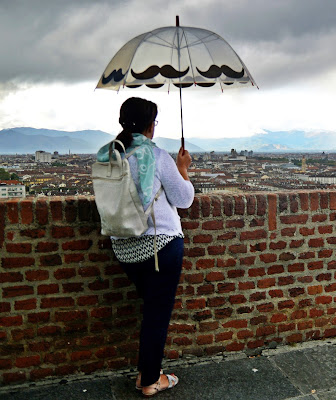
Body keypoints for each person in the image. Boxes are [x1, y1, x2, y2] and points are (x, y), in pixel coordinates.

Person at [96, 97, 194, 397]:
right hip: (158, 245)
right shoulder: (156, 155)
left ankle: (148, 372)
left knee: (151, 310)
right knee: (156, 315)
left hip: (123, 246)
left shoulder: (109, 154)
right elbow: (184, 199)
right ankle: (150, 380)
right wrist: (182, 168)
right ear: (151, 125)